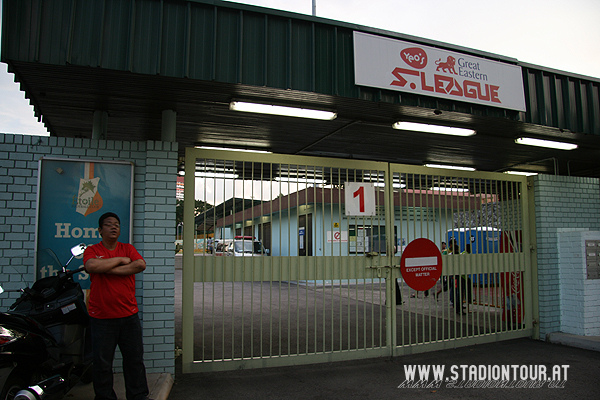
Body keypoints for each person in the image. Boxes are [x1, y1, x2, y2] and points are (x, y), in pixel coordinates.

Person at [83, 212, 151, 400]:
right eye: (108, 224)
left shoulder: (127, 248)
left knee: (134, 361)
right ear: (100, 230)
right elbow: (91, 266)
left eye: (117, 225)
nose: (114, 227)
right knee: (102, 364)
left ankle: (138, 396)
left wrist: (107, 268)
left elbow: (139, 265)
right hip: (101, 318)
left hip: (129, 315)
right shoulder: (92, 249)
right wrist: (121, 261)